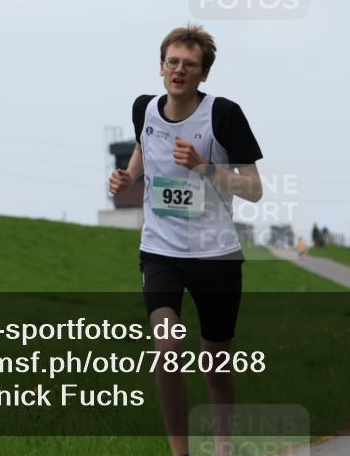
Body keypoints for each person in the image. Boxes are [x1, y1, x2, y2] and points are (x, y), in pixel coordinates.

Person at [109, 24, 263, 456]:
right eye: (172, 62)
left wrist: (203, 166)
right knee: (168, 349)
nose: (179, 70)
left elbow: (253, 188)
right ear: (161, 67)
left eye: (189, 65)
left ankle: (223, 448)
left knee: (215, 364)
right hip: (160, 251)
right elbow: (144, 147)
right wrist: (128, 175)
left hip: (216, 255)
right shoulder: (145, 108)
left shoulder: (223, 115)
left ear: (204, 74)